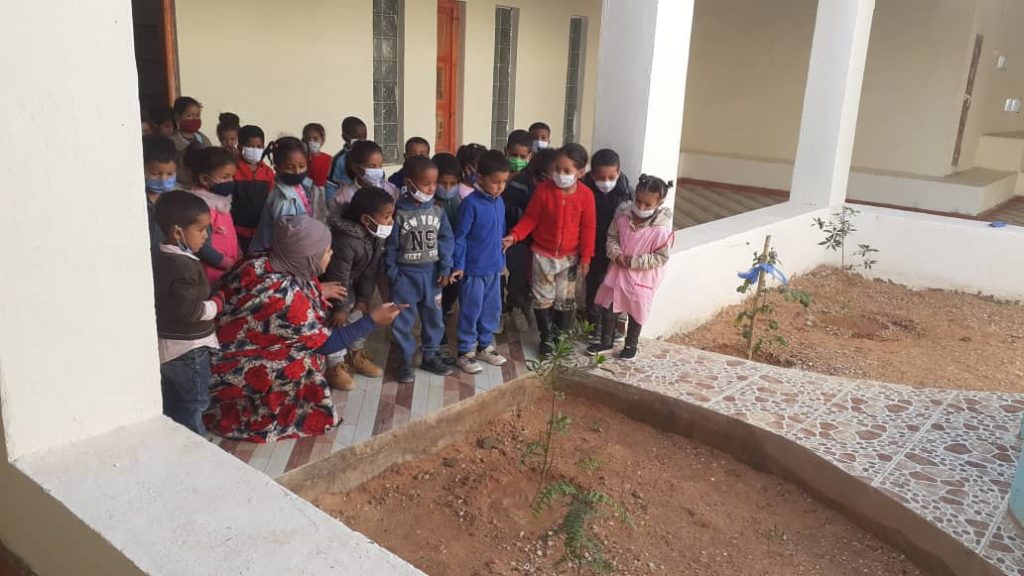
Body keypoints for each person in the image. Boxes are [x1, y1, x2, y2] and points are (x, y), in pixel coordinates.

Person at [205, 215, 404, 442]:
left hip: (221, 354)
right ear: (307, 258)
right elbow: (326, 345)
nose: (331, 254)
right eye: (326, 251)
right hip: (237, 373)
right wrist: (372, 320)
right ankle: (265, 412)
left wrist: (317, 289)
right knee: (304, 361)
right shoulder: (286, 296)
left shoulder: (259, 261)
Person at [504, 144, 596, 355]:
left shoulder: (586, 196)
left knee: (565, 299)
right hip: (543, 255)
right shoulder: (543, 191)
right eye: (557, 169)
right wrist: (515, 235)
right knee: (542, 297)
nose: (560, 175)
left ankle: (559, 337)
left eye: (566, 171)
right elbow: (531, 218)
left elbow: (588, 228)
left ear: (580, 172)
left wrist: (586, 258)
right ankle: (546, 338)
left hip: (570, 257)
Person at [153, 190, 224, 435]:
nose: (206, 236)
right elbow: (189, 311)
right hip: (189, 351)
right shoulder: (182, 266)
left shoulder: (163, 256)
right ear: (177, 233)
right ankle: (196, 448)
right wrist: (216, 304)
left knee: (175, 405)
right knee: (193, 405)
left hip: (172, 348)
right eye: (201, 229)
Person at [385, 156, 455, 383]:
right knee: (403, 321)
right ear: (410, 183)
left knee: (434, 318)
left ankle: (430, 356)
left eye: (434, 183)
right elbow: (391, 246)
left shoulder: (438, 211)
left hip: (432, 276)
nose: (432, 188)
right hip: (405, 277)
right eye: (426, 184)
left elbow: (446, 240)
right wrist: (393, 274)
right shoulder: (398, 213)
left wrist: (445, 268)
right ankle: (405, 360)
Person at [590, 175, 674, 359]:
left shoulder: (662, 230)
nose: (641, 207)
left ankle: (631, 345)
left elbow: (661, 257)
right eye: (638, 201)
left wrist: (634, 262)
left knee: (636, 311)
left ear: (659, 203)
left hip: (642, 278)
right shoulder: (623, 216)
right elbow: (612, 237)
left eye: (647, 204)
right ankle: (606, 341)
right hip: (618, 271)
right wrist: (616, 254)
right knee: (609, 306)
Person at [322, 187, 395, 387]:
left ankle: (356, 354)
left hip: (350, 288)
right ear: (366, 220)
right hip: (332, 292)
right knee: (335, 324)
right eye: (386, 216)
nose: (391, 221)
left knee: (358, 316)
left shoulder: (374, 235)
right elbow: (338, 277)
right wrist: (339, 308)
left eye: (391, 215)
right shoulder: (345, 241)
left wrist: (363, 298)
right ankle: (335, 365)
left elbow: (370, 271)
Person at [451, 151, 510, 374]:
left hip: (494, 268)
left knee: (491, 309)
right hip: (473, 270)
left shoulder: (500, 202)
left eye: (504, 181)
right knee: (471, 310)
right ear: (479, 177)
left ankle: (485, 346)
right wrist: (459, 264)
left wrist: (501, 259)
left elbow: (499, 232)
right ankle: (466, 351)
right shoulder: (470, 205)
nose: (500, 186)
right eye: (495, 181)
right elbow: (460, 237)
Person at [581, 149, 633, 340]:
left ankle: (611, 326)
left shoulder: (627, 192)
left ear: (619, 172)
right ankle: (593, 325)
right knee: (594, 287)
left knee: (614, 288)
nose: (606, 182)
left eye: (611, 177)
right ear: (592, 174)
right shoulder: (583, 189)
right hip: (592, 247)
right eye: (601, 177)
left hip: (616, 249)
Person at [250, 137, 328, 253]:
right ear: (277, 168)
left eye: (302, 166)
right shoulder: (284, 201)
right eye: (289, 168)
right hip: (279, 254)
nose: (297, 172)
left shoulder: (302, 187)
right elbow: (288, 240)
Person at [184, 146, 241, 285]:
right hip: (212, 276)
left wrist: (239, 254)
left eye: (232, 177)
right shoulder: (202, 207)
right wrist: (228, 264)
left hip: (228, 271)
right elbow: (203, 248)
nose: (231, 181)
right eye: (225, 177)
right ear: (204, 179)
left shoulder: (221, 202)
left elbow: (229, 233)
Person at [433, 152, 462, 364]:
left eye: (453, 183)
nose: (448, 187)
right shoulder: (430, 204)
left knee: (451, 296)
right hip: (434, 263)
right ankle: (439, 341)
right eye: (443, 183)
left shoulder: (458, 201)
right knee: (436, 304)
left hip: (453, 262)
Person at [333, 140, 401, 208]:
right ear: (356, 168)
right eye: (372, 166)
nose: (378, 170)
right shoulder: (343, 197)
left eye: (380, 165)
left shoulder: (391, 190)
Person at [143, 134, 181, 256]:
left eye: (170, 174)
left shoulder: (178, 200)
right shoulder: (138, 200)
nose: (163, 179)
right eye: (155, 174)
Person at [170, 96, 211, 186]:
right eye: (189, 116)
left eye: (197, 116)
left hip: (203, 184)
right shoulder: (171, 141)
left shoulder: (203, 138)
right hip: (180, 184)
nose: (194, 119)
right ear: (178, 117)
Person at [327, 116, 368, 194]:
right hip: (346, 199)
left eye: (364, 136)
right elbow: (331, 185)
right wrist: (332, 201)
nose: (362, 140)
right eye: (357, 137)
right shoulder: (339, 159)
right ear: (345, 137)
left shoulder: (370, 154)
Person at [303, 122, 333, 188]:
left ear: (322, 140)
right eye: (308, 139)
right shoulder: (300, 160)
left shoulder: (330, 160)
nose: (311, 141)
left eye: (315, 138)